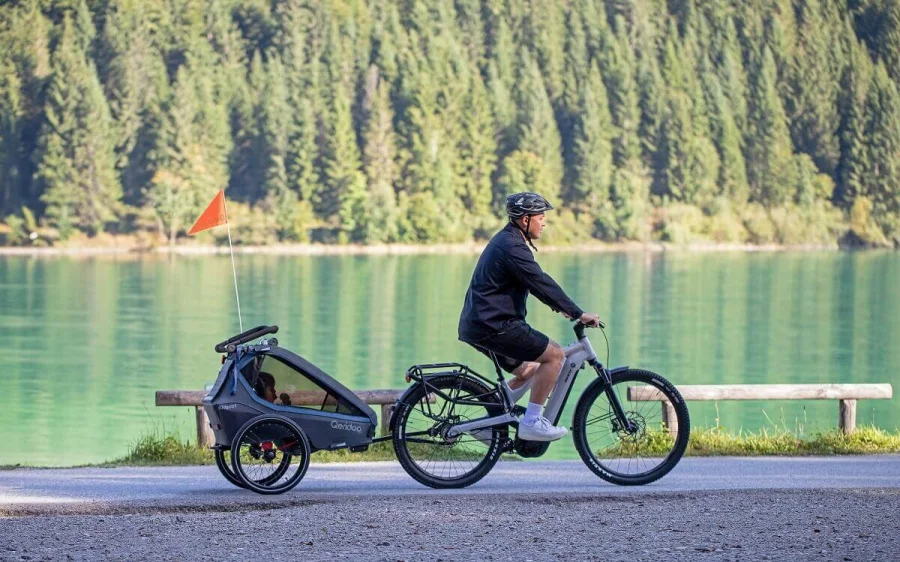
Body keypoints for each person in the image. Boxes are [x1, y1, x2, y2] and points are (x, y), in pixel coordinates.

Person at [458, 192, 601, 442]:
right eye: (540, 217)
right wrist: (578, 313)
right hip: (495, 325)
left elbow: (537, 285)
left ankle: (488, 423)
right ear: (525, 219)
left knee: (529, 371)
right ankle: (532, 422)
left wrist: (564, 309)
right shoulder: (512, 247)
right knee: (555, 355)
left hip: (481, 324)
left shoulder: (508, 240)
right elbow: (540, 283)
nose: (544, 222)